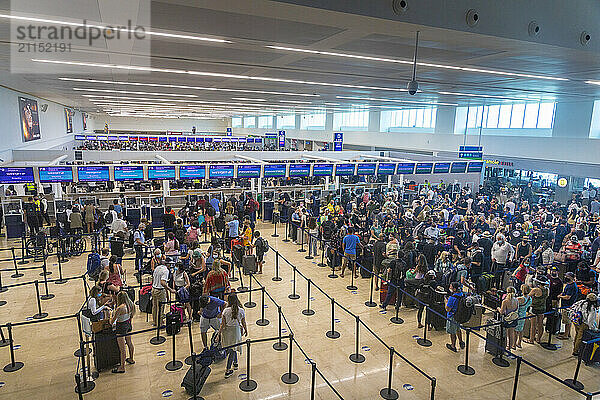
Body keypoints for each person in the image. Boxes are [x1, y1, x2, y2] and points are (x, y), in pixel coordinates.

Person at [218, 293, 248, 378]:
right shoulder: (241, 310)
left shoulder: (225, 311)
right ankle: (231, 366)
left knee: (231, 349)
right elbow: (243, 322)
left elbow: (222, 325)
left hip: (227, 332)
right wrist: (246, 330)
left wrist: (219, 334)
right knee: (233, 348)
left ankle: (231, 367)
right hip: (236, 331)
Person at [109, 291, 135, 373]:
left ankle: (122, 367)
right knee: (129, 343)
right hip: (128, 324)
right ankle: (131, 359)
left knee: (122, 348)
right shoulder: (131, 305)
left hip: (120, 327)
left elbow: (112, 322)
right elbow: (131, 316)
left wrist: (110, 315)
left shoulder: (120, 308)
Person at [151, 260, 175, 327]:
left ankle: (155, 322)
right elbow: (163, 282)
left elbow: (153, 278)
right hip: (160, 290)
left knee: (155, 307)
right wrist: (170, 290)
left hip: (153, 289)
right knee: (161, 308)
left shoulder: (157, 268)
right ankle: (160, 324)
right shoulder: (165, 271)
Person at [557, 272, 580, 340]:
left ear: (571, 277)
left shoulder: (572, 286)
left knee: (567, 321)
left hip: (568, 306)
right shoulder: (568, 284)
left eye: (567, 276)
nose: (565, 278)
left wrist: (560, 296)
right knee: (567, 320)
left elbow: (567, 297)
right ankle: (567, 333)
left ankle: (566, 335)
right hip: (566, 305)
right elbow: (565, 292)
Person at [527, 276, 549, 344]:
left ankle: (531, 340)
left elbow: (528, 296)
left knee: (533, 325)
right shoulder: (547, 289)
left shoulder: (535, 290)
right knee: (540, 324)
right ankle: (538, 339)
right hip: (542, 308)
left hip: (534, 308)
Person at [445, 282, 465, 352]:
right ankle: (461, 341)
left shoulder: (452, 298)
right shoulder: (461, 294)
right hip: (459, 316)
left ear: (454, 289)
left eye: (451, 287)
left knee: (452, 332)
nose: (450, 288)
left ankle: (453, 346)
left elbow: (447, 309)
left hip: (452, 316)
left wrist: (446, 302)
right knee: (458, 329)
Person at [498, 286, 519, 352]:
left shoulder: (505, 301)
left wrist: (498, 308)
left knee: (506, 334)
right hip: (514, 319)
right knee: (511, 333)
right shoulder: (516, 300)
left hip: (507, 320)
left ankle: (505, 347)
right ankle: (510, 348)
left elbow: (501, 312)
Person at [515, 284, 532, 349]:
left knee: (516, 331)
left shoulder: (521, 299)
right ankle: (519, 343)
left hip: (518, 315)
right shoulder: (529, 298)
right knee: (521, 330)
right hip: (524, 314)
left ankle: (514, 344)